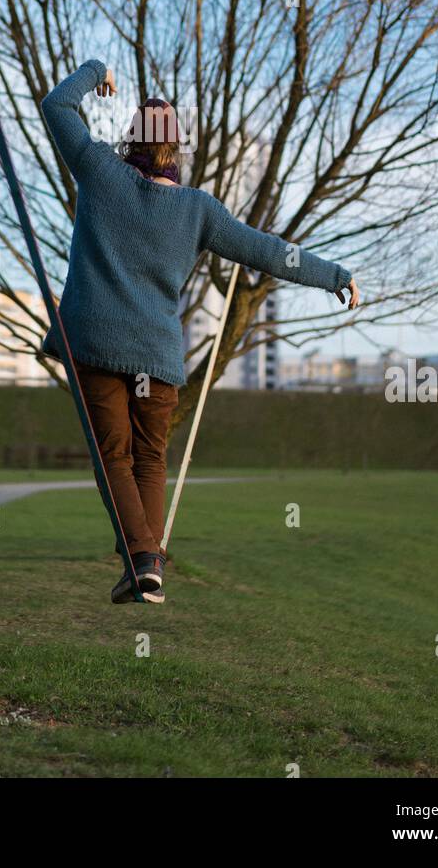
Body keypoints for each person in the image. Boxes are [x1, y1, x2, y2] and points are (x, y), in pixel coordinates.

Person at [39, 59, 360, 605]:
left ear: (130, 139)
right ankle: (149, 564)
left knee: (114, 456)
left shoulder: (96, 168)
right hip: (156, 358)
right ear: (177, 152)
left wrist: (97, 73)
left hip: (96, 344)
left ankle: (142, 559)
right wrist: (334, 276)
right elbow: (267, 251)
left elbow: (56, 106)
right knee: (149, 460)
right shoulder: (199, 210)